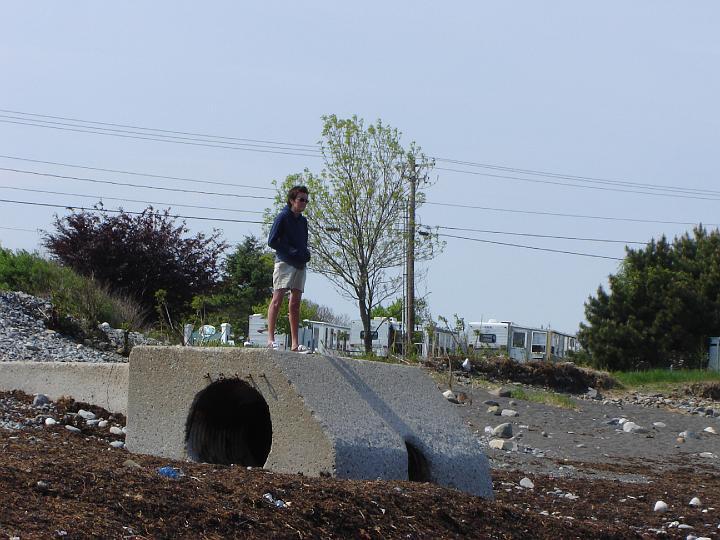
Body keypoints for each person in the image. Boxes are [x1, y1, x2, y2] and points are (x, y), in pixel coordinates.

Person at [266, 185, 311, 352]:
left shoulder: (303, 221)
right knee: (277, 300)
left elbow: (303, 242)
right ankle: (270, 339)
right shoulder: (283, 217)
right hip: (284, 263)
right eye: (301, 199)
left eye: (306, 200)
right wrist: (290, 251)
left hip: (300, 264)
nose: (303, 203)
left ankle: (294, 343)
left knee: (295, 304)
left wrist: (305, 253)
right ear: (292, 200)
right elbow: (272, 240)